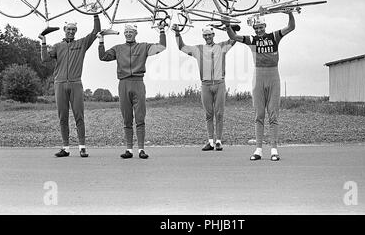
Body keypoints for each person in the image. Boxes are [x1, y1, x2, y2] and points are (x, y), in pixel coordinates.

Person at [223, 11, 295, 161]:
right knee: (259, 115)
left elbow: (291, 27)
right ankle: (259, 150)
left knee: (273, 114)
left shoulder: (274, 36)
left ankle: (274, 149)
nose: (259, 30)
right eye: (256, 28)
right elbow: (234, 37)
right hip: (258, 76)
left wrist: (289, 14)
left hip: (273, 75)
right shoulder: (252, 40)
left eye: (261, 27)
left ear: (265, 26)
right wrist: (228, 25)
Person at [98, 23, 166, 159]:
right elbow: (103, 57)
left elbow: (161, 47)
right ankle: (129, 149)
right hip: (123, 84)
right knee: (127, 118)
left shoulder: (143, 47)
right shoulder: (118, 49)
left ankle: (141, 149)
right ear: (124, 34)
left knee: (140, 117)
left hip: (138, 83)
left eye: (131, 32)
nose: (128, 34)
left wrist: (162, 31)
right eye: (126, 32)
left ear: (136, 33)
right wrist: (101, 40)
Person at [39, 15, 101, 158]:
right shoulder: (58, 46)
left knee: (79, 116)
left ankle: (82, 147)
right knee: (63, 117)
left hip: (75, 84)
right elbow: (44, 59)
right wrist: (43, 42)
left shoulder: (81, 44)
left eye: (73, 29)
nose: (71, 32)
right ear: (64, 30)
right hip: (59, 84)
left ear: (76, 30)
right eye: (69, 29)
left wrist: (96, 14)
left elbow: (96, 30)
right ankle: (65, 148)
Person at [172, 24, 236, 152]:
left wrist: (230, 27)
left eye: (209, 35)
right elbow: (181, 47)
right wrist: (177, 33)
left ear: (213, 35)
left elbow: (234, 39)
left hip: (219, 84)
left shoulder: (222, 47)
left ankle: (218, 141)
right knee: (208, 114)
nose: (207, 37)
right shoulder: (198, 49)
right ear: (203, 36)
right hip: (205, 85)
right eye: (205, 35)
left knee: (219, 114)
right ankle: (210, 141)